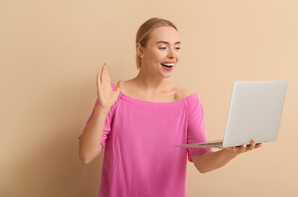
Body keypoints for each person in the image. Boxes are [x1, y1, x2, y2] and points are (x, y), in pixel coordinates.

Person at [78, 17, 262, 197]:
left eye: (177, 47)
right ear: (140, 50)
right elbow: (86, 155)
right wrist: (103, 108)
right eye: (163, 47)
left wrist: (230, 152)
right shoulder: (114, 95)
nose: (173, 55)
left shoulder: (187, 102)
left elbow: (202, 163)